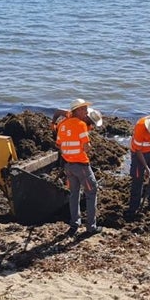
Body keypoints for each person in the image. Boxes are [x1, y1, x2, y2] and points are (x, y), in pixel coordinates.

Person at [55, 98, 102, 233]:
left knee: (74, 194)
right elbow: (86, 147)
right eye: (85, 109)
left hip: (68, 166)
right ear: (78, 110)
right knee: (91, 192)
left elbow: (59, 144)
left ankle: (74, 224)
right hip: (81, 165)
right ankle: (91, 227)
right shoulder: (81, 125)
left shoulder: (62, 124)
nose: (87, 112)